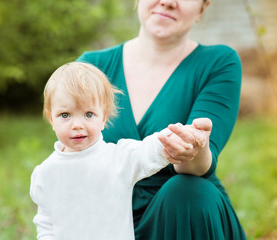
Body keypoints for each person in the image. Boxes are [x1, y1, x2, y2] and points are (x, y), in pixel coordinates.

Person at [76, 0, 247, 239]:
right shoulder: (90, 68)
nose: (167, 2)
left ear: (203, 8)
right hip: (106, 220)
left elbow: (197, 164)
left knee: (187, 190)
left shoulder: (219, 63)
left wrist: (193, 149)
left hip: (186, 219)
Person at [29, 62, 210, 240]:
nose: (77, 125)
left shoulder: (118, 158)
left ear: (103, 118)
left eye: (89, 114)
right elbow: (46, 223)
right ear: (51, 119)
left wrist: (178, 135)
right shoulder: (45, 173)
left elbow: (148, 150)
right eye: (65, 115)